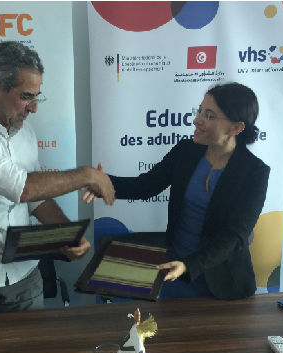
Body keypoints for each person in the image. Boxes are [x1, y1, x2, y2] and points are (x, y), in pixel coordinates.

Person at [0, 41, 115, 319]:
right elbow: (23, 188)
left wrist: (67, 235)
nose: (34, 108)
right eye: (26, 96)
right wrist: (89, 175)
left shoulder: (25, 132)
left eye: (37, 97)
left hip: (22, 270)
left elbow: (36, 199)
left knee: (32, 344)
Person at [83, 82, 270, 300]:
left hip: (223, 283)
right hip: (174, 272)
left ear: (235, 128)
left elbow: (235, 236)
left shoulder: (254, 172)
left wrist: (189, 265)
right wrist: (102, 182)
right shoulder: (186, 151)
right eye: (199, 111)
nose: (196, 120)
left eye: (208, 115)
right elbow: (146, 185)